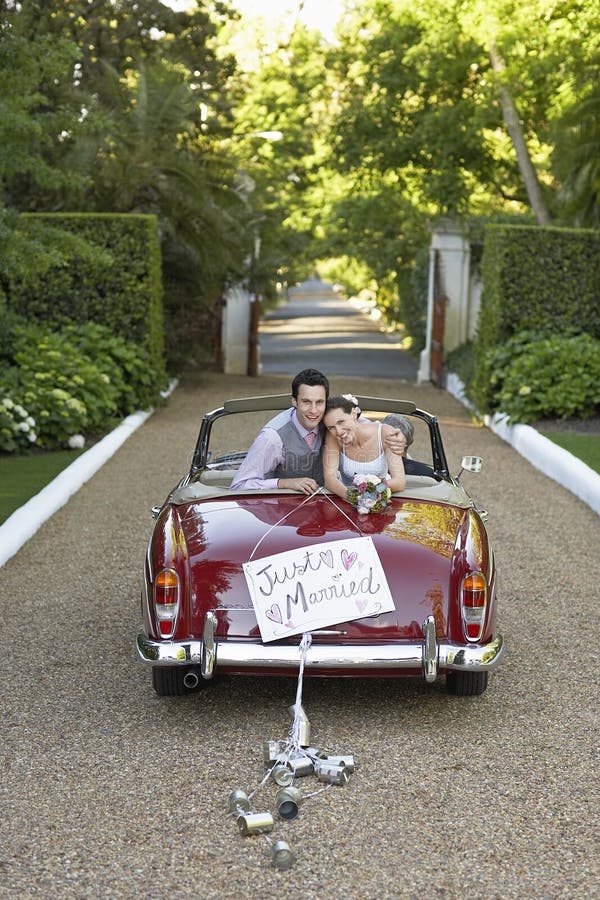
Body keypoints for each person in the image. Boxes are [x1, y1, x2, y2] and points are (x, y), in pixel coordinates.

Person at [230, 368, 330, 494]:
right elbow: (239, 485)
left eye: (319, 402)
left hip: (324, 507)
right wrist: (283, 483)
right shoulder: (272, 437)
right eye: (306, 402)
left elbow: (358, 425)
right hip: (281, 508)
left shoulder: (333, 422)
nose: (314, 410)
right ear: (294, 401)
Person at [322, 394, 406, 501]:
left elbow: (399, 482)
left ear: (353, 414)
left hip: (381, 497)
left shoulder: (385, 433)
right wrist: (355, 499)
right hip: (346, 496)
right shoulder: (333, 437)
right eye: (331, 427)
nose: (338, 431)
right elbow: (330, 479)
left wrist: (373, 492)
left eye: (341, 422)